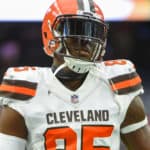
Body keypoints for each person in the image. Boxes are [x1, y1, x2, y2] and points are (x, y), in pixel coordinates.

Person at [0, 0, 150, 149]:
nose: (86, 40)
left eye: (93, 31)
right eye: (75, 29)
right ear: (50, 33)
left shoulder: (117, 85)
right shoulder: (26, 91)